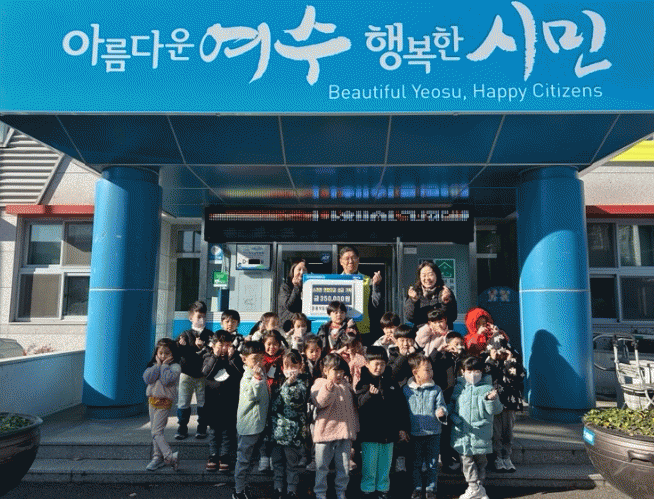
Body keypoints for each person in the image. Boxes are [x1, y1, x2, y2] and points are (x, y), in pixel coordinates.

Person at [356, 346, 409, 499]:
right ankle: (367, 490)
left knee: (385, 464)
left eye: (382, 364)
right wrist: (369, 395)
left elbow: (400, 407)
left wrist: (402, 428)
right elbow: (359, 405)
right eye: (375, 364)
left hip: (389, 433)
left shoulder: (392, 383)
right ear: (367, 364)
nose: (379, 367)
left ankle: (383, 489)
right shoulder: (363, 383)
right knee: (369, 464)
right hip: (370, 433)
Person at [449, 356, 503, 499]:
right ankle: (474, 487)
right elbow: (451, 406)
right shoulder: (459, 388)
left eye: (477, 371)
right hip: (462, 434)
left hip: (481, 433)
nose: (473, 375)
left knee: (481, 462)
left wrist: (491, 400)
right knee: (466, 462)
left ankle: (479, 488)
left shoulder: (487, 388)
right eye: (469, 371)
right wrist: (453, 419)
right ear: (463, 371)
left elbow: (496, 410)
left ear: (482, 372)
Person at [311, 353, 359, 499]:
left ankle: (341, 491)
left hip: (344, 433)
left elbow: (353, 409)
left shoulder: (346, 386)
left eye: (341, 371)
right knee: (321, 466)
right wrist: (327, 389)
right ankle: (320, 492)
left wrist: (354, 428)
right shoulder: (319, 384)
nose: (339, 374)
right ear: (326, 370)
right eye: (335, 371)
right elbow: (319, 402)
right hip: (325, 433)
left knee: (343, 466)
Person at [403, 352, 448, 499]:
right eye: (427, 370)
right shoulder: (406, 390)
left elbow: (441, 405)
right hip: (414, 433)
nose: (430, 372)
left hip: (433, 432)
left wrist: (441, 411)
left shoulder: (436, 389)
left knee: (432, 463)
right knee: (415, 463)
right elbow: (402, 411)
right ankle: (416, 488)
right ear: (415, 372)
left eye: (431, 369)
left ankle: (431, 489)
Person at [269, 350, 310, 499]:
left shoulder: (302, 383)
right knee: (277, 463)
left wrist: (289, 385)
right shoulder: (278, 381)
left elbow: (294, 402)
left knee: (292, 464)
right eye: (287, 366)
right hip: (276, 432)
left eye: (294, 366)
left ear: (300, 366)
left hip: (293, 434)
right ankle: (278, 487)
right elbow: (274, 405)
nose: (290, 369)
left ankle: (292, 489)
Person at [483, 332, 525, 473]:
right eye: (497, 349)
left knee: (508, 433)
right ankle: (497, 458)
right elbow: (486, 375)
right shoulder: (486, 360)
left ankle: (506, 457)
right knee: (496, 433)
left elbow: (519, 375)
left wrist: (509, 360)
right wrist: (492, 358)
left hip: (510, 402)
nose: (500, 353)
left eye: (503, 349)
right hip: (495, 402)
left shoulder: (514, 358)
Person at [202, 330, 243, 472]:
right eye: (221, 345)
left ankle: (224, 456)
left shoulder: (235, 358)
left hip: (230, 401)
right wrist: (215, 356)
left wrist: (231, 358)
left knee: (228, 431)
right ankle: (213, 455)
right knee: (213, 431)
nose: (224, 348)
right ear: (213, 345)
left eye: (227, 345)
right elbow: (206, 372)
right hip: (213, 402)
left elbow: (240, 374)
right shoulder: (208, 356)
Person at [233, 341, 270, 499]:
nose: (259, 362)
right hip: (249, 426)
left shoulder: (260, 373)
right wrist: (256, 378)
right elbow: (252, 395)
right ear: (244, 359)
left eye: (261, 358)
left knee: (251, 458)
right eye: (255, 358)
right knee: (243, 459)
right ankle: (238, 491)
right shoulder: (248, 377)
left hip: (258, 424)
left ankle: (244, 486)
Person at [143, 338, 182, 471]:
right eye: (160, 353)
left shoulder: (175, 367)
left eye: (167, 353)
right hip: (152, 401)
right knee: (154, 432)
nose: (163, 356)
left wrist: (164, 366)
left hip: (164, 402)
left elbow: (166, 380)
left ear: (173, 354)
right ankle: (157, 457)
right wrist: (158, 366)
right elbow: (147, 379)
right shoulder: (154, 365)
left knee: (156, 432)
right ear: (156, 353)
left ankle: (169, 456)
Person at [176, 300, 212, 440]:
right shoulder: (184, 335)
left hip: (203, 375)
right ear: (191, 317)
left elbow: (213, 353)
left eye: (204, 317)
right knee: (183, 402)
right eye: (198, 317)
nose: (201, 320)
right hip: (186, 374)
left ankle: (202, 427)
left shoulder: (209, 335)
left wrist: (204, 347)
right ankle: (182, 427)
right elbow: (177, 352)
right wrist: (181, 346)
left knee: (203, 402)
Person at [338, 246, 382, 344]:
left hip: (363, 330)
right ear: (341, 261)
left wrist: (376, 286)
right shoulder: (334, 281)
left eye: (353, 258)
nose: (350, 261)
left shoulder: (368, 280)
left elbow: (376, 304)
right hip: (341, 330)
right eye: (347, 258)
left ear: (358, 260)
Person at [259, 330, 288, 472]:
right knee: (264, 428)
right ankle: (264, 457)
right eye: (269, 344)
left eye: (275, 344)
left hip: (279, 396)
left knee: (276, 427)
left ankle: (274, 457)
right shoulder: (260, 359)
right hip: (264, 396)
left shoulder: (284, 358)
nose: (272, 347)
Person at [404, 261, 457, 329]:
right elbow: (410, 317)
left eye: (430, 274)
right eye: (424, 275)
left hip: (442, 332)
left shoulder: (445, 292)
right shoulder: (415, 292)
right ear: (420, 277)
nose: (427, 278)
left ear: (437, 275)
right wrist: (413, 301)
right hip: (421, 332)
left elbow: (452, 317)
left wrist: (445, 302)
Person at [278, 259, 308, 332]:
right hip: (289, 327)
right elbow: (290, 306)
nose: (301, 272)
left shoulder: (308, 287)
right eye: (299, 269)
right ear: (293, 271)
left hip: (302, 327)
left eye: (304, 270)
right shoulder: (285, 287)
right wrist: (296, 287)